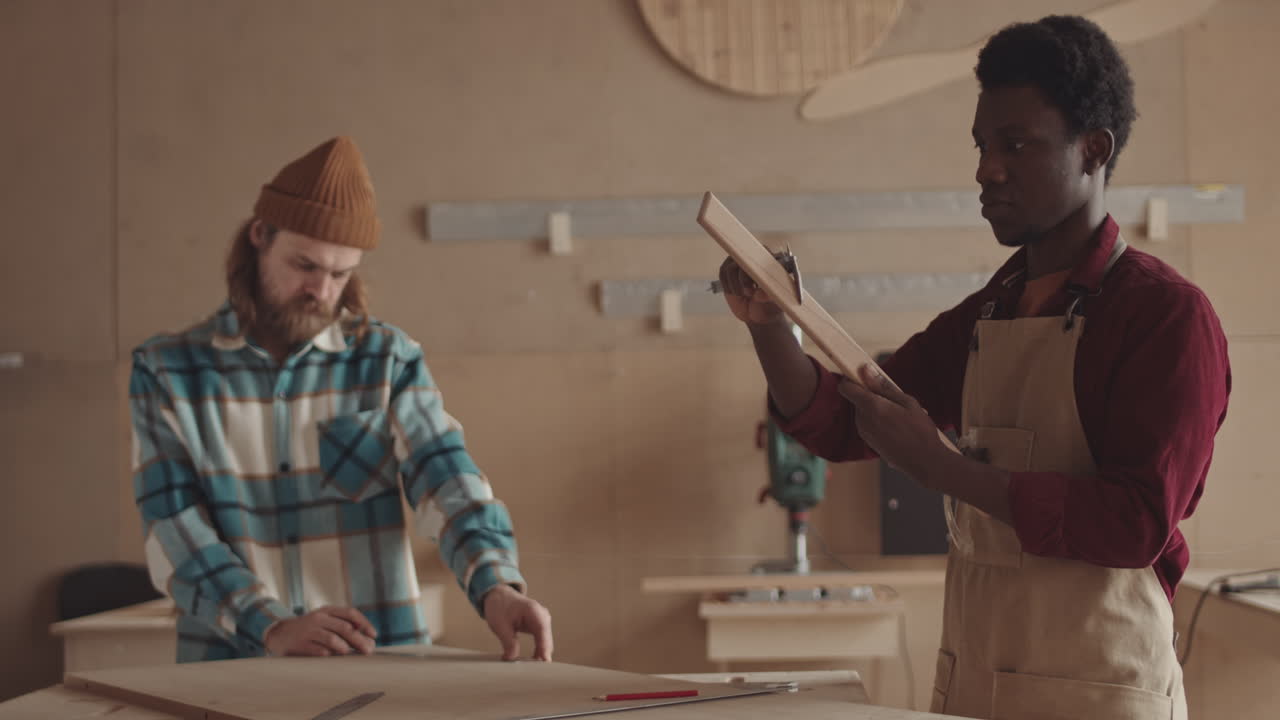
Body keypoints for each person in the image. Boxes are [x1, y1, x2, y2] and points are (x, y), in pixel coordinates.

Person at [718, 15, 1229, 719]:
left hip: (1102, 692)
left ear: (1093, 150)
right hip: (980, 684)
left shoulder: (1163, 316)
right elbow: (842, 425)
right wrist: (770, 323)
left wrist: (943, 469)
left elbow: (1135, 521)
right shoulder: (991, 312)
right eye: (984, 145)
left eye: (1015, 145)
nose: (986, 169)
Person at [130, 136, 552, 663]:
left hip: (378, 672)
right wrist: (272, 625)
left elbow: (448, 479)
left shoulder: (388, 360)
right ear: (260, 237)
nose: (322, 291)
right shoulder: (168, 371)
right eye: (304, 265)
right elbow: (174, 528)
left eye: (340, 273)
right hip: (232, 671)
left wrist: (497, 586)